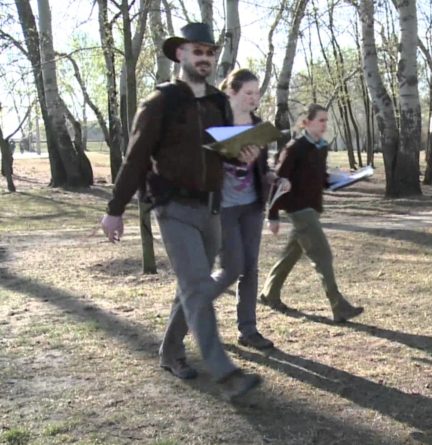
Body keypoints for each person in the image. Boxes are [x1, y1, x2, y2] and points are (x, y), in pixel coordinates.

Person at [99, 23, 260, 400]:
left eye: (209, 52)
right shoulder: (161, 101)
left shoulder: (219, 102)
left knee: (194, 286)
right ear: (180, 54)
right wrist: (115, 209)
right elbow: (136, 157)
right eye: (197, 51)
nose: (205, 58)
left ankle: (170, 350)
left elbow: (220, 152)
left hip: (211, 208)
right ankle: (226, 374)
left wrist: (242, 154)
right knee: (198, 286)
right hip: (173, 207)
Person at [259, 104, 364, 323]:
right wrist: (272, 214)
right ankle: (339, 306)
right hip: (299, 209)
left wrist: (345, 179)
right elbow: (278, 181)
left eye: (326, 120)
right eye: (320, 120)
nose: (325, 124)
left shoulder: (321, 147)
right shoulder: (294, 148)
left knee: (291, 254)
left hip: (313, 208)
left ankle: (270, 293)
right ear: (306, 123)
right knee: (322, 255)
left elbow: (321, 178)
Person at [215, 68, 289, 350]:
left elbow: (261, 169)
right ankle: (191, 313)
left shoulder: (258, 126)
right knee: (230, 269)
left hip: (251, 207)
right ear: (231, 92)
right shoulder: (216, 123)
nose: (254, 98)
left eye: (257, 93)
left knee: (250, 269)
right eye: (248, 93)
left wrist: (275, 179)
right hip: (222, 208)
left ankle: (247, 330)